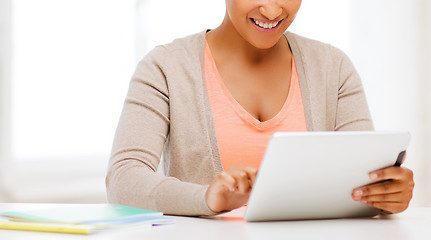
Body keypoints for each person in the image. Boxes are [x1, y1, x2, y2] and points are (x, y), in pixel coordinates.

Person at [106, 0, 414, 216]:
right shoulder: (166, 67)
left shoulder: (333, 68)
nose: (272, 9)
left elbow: (360, 184)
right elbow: (124, 180)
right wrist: (206, 198)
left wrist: (386, 195)